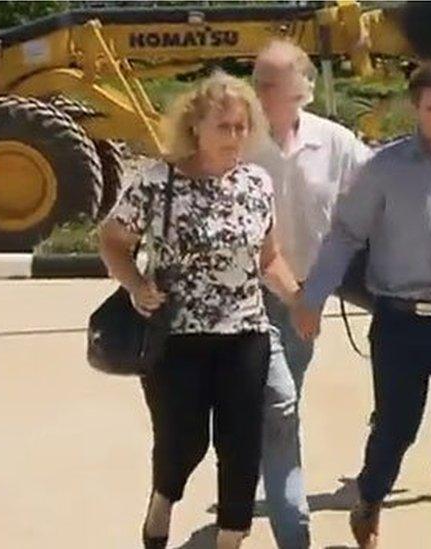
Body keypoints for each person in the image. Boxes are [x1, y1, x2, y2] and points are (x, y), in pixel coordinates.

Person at [291, 60, 431, 549]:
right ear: (416, 109)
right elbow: (345, 235)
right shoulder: (383, 169)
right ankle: (369, 496)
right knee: (396, 430)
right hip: (398, 323)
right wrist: (312, 296)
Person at [98, 71, 299, 549]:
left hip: (245, 332)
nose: (235, 137)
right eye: (223, 127)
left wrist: (300, 299)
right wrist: (135, 284)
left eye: (241, 127)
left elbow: (268, 258)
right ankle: (163, 498)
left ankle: (231, 537)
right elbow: (112, 240)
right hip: (176, 336)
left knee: (241, 443)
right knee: (184, 441)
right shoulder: (157, 181)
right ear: (195, 129)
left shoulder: (256, 183)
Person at [246, 39, 371, 549]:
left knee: (280, 401)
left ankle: (263, 483)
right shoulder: (239, 138)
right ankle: (291, 526)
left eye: (272, 82)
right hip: (247, 297)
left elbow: (380, 190)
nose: (262, 91)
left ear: (303, 88)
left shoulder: (335, 143)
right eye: (258, 80)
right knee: (279, 405)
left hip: (307, 297)